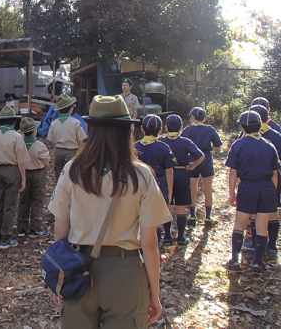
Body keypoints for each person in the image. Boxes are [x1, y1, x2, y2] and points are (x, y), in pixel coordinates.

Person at [48, 95, 171, 328]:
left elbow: (60, 230)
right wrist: (154, 292)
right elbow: (149, 243)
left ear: (90, 128)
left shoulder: (72, 170)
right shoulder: (141, 175)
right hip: (125, 272)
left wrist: (60, 275)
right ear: (127, 131)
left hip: (77, 268)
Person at [224, 110, 279, 275]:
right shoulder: (269, 145)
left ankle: (234, 261)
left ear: (242, 127)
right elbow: (275, 173)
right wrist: (273, 192)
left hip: (247, 187)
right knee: (262, 227)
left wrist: (232, 194)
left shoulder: (238, 145)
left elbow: (233, 172)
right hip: (267, 187)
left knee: (239, 226)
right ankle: (256, 264)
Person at [0, 106, 30, 249]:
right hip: (12, 171)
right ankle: (6, 237)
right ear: (14, 122)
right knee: (9, 206)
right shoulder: (17, 137)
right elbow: (21, 160)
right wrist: (23, 179)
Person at [242, 104, 281, 256]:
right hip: (274, 177)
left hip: (251, 179)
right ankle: (272, 246)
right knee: (272, 210)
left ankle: (256, 243)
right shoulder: (276, 135)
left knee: (254, 213)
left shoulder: (246, 136)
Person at [160, 114, 205, 245]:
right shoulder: (186, 141)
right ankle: (180, 237)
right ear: (181, 128)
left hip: (166, 175)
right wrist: (193, 165)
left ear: (166, 128)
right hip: (182, 173)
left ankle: (167, 236)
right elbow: (201, 156)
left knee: (168, 205)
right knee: (181, 208)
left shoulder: (162, 141)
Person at [134, 115, 175, 245]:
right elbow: (169, 171)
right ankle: (154, 250)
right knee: (155, 221)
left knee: (138, 217)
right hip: (159, 185)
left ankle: (140, 248)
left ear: (142, 129)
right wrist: (170, 193)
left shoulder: (135, 147)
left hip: (138, 186)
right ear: (161, 130)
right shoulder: (164, 148)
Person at [180, 107, 222, 226]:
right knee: (207, 189)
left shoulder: (187, 130)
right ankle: (208, 217)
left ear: (193, 117)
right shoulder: (210, 129)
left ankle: (193, 216)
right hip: (206, 159)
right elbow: (218, 146)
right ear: (204, 119)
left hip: (192, 160)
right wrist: (208, 149)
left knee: (193, 189)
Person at [17, 117, 50, 237]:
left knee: (24, 200)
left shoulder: (19, 144)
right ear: (34, 131)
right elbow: (46, 159)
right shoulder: (39, 145)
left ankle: (21, 227)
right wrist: (45, 167)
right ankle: (35, 228)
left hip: (23, 174)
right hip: (38, 173)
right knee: (37, 200)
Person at [47, 94, 87, 181]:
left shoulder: (54, 123)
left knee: (59, 176)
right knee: (72, 176)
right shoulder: (75, 122)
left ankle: (58, 193)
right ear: (71, 108)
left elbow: (50, 140)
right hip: (71, 152)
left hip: (58, 152)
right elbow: (81, 141)